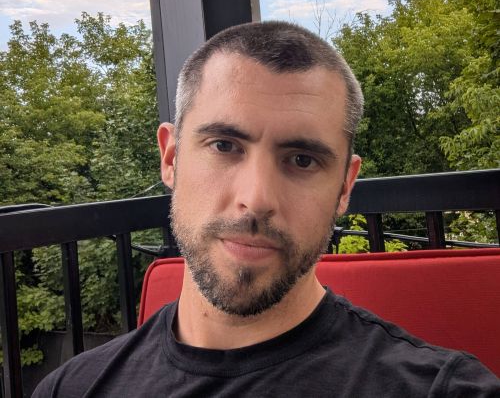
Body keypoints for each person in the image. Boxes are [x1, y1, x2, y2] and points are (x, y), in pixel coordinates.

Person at [33, 21, 499, 397]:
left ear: (344, 186)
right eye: (224, 145)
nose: (256, 199)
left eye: (302, 160)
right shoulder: (73, 387)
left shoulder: (444, 390)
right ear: (171, 158)